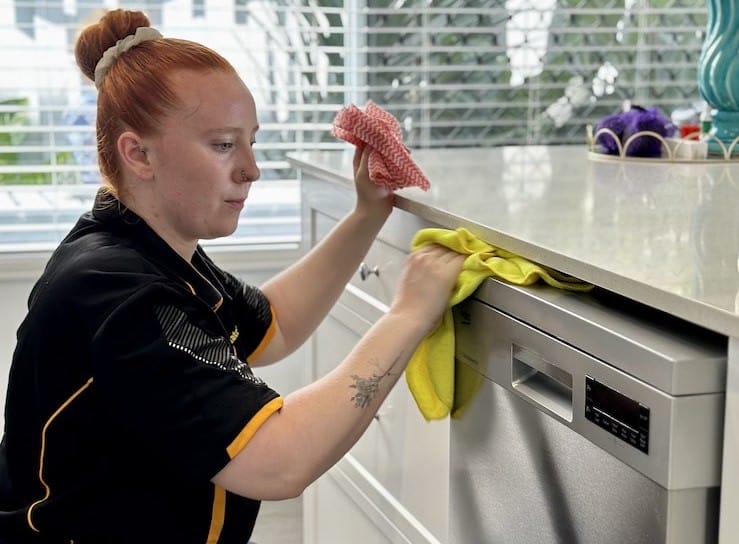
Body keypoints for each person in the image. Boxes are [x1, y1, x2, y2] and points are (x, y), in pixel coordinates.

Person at [0, 8, 463, 544]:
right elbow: (278, 462)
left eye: (252, 141)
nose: (251, 168)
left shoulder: (147, 247)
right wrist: (407, 315)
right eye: (223, 145)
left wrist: (366, 216)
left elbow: (274, 325)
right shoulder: (117, 291)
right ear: (138, 153)